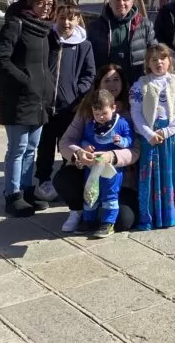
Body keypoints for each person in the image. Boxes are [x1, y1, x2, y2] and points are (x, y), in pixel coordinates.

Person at [0, 0, 57, 217]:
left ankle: (28, 191)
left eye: (50, 4)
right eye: (41, 2)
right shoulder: (15, 24)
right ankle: (12, 195)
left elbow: (47, 63)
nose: (46, 7)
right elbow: (1, 58)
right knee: (18, 149)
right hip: (18, 98)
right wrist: (25, 80)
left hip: (39, 99)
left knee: (32, 148)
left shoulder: (44, 30)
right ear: (31, 2)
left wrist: (47, 85)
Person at [56, 64, 140, 232]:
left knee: (124, 221)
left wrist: (112, 156)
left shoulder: (133, 109)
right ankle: (78, 210)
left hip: (119, 174)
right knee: (63, 178)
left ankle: (106, 213)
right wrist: (79, 153)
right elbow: (66, 141)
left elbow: (135, 149)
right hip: (89, 168)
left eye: (116, 80)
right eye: (106, 80)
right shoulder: (88, 108)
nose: (112, 84)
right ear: (99, 84)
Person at [34, 4, 96, 203]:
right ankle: (43, 180)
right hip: (45, 105)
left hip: (70, 107)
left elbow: (89, 74)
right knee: (44, 145)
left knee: (66, 145)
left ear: (78, 20)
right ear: (56, 19)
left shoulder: (84, 45)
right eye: (62, 18)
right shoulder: (47, 40)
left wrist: (77, 94)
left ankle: (62, 179)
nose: (66, 22)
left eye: (71, 18)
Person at [129, 44, 175, 229]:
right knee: (150, 176)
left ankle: (171, 215)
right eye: (153, 59)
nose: (158, 63)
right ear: (147, 63)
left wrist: (168, 130)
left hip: (171, 136)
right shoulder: (141, 84)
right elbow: (136, 112)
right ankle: (150, 217)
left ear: (169, 60)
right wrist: (148, 133)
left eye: (162, 58)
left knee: (170, 175)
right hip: (150, 135)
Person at [78, 88, 133, 237]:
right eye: (97, 114)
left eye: (104, 113)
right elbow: (84, 138)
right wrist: (85, 146)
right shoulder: (90, 125)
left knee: (110, 194)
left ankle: (108, 223)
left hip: (111, 169)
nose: (101, 117)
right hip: (93, 167)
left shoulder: (122, 123)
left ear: (113, 108)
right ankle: (89, 220)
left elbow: (130, 141)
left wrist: (121, 141)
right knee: (90, 191)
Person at [88, 0, 156, 82]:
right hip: (106, 82)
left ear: (132, 3)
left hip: (136, 81)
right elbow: (88, 58)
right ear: (110, 3)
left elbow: (154, 52)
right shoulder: (95, 27)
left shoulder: (145, 25)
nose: (121, 3)